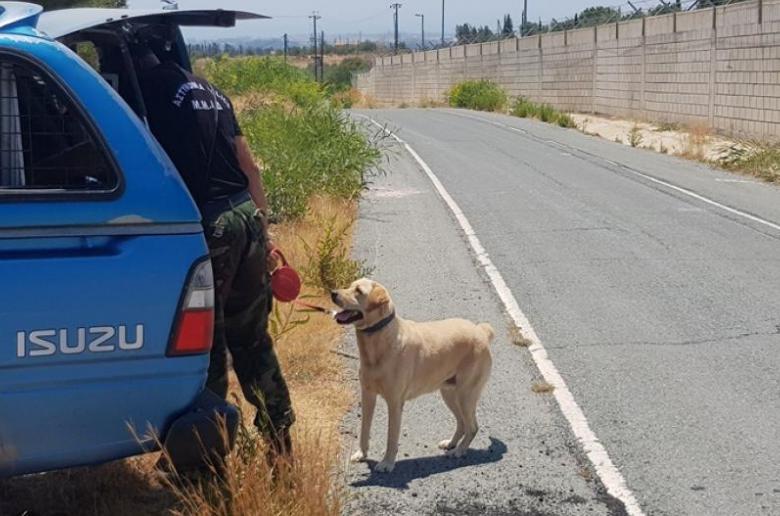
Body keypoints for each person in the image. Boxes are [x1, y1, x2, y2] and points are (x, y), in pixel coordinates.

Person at [135, 43, 295, 458]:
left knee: (206, 346)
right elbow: (249, 165)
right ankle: (279, 440)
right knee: (253, 340)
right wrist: (265, 228)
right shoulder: (211, 91)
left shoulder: (147, 91)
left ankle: (209, 458)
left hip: (209, 225)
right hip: (245, 215)